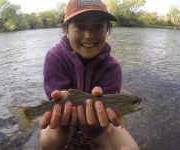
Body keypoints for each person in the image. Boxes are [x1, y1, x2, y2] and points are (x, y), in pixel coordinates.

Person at [39, 0, 139, 149]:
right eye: (80, 26)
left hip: (98, 125)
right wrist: (62, 98)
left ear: (107, 29)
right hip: (66, 121)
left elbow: (109, 111)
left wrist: (100, 122)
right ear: (66, 29)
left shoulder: (113, 67)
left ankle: (89, 137)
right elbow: (54, 98)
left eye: (98, 27)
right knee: (48, 143)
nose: (89, 35)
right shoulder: (55, 56)